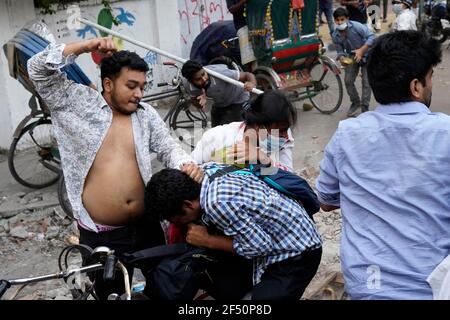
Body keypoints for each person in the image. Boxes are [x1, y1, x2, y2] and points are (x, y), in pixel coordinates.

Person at [28, 37, 203, 300]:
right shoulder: (76, 104)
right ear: (108, 84)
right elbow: (37, 69)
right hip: (103, 236)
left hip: (148, 226)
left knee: (166, 287)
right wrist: (85, 46)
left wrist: (186, 164)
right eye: (131, 86)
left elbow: (169, 148)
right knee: (110, 295)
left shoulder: (144, 115)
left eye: (143, 87)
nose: (139, 94)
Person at [316, 30, 450, 299]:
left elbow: (326, 201)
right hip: (433, 289)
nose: (431, 85)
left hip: (367, 285)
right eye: (430, 78)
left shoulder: (346, 134)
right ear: (416, 86)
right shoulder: (446, 132)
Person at [145, 166, 322, 300]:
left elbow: (260, 247)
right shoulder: (204, 172)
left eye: (177, 220)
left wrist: (207, 240)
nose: (182, 224)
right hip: (283, 232)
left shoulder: (217, 203)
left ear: (188, 205)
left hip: (297, 252)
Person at [191, 90, 297, 172]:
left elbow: (290, 178)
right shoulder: (217, 138)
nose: (285, 136)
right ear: (258, 125)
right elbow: (190, 168)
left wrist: (263, 158)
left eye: (286, 129)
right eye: (280, 130)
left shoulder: (284, 139)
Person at [181, 60, 257, 127]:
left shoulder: (219, 73)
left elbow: (247, 75)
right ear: (190, 81)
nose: (204, 79)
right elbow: (195, 102)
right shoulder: (187, 84)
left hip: (238, 98)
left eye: (203, 74)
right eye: (198, 79)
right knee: (215, 131)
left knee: (233, 129)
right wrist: (198, 102)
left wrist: (252, 83)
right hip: (220, 103)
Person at [332, 7, 375, 117]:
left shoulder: (356, 26)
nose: (340, 22)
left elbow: (371, 37)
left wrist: (361, 51)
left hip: (367, 54)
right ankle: (355, 102)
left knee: (366, 82)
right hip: (352, 56)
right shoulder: (335, 34)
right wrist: (341, 57)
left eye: (342, 19)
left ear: (347, 19)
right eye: (337, 20)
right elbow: (340, 50)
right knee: (348, 80)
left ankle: (365, 107)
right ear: (334, 20)